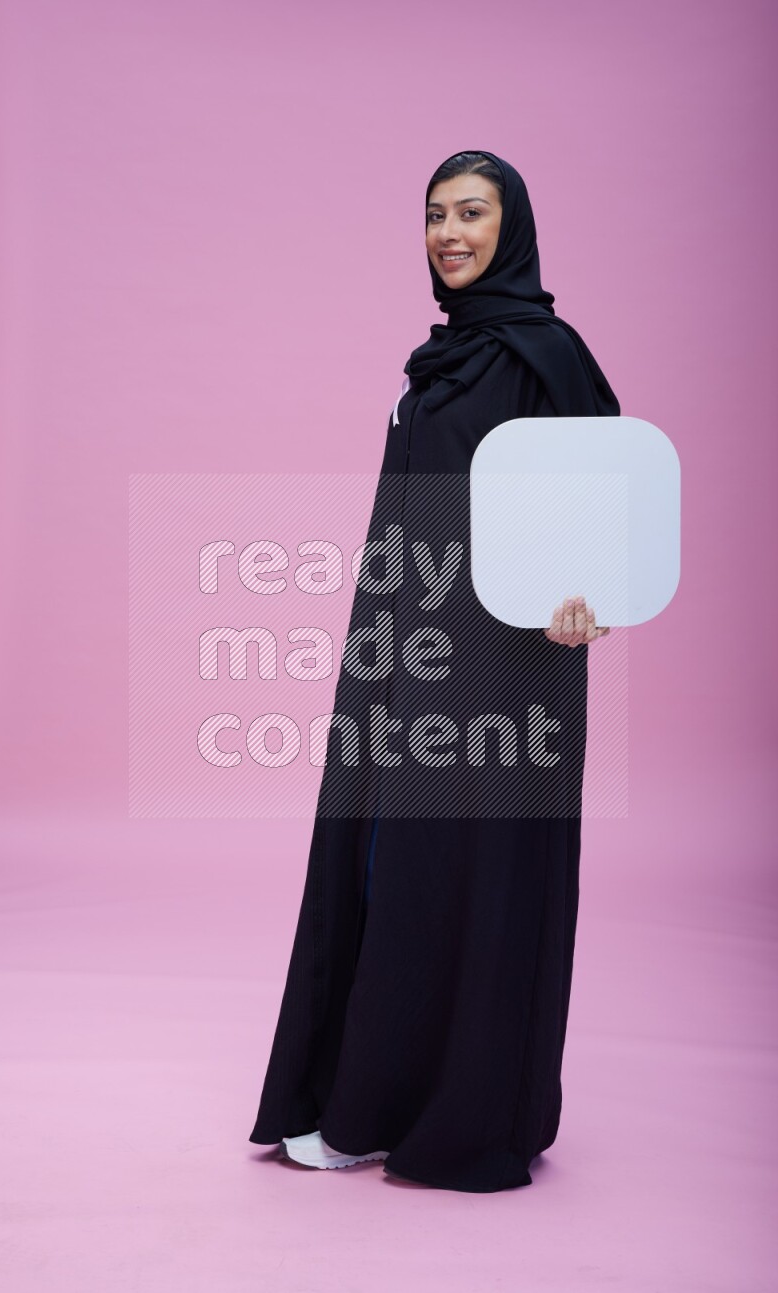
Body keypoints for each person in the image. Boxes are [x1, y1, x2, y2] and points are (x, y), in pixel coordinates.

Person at [248, 149, 620, 1192]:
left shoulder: (546, 356)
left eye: (470, 213)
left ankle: (415, 1113)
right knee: (376, 864)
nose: (448, 234)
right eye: (433, 217)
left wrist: (586, 594)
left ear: (513, 226)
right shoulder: (435, 361)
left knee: (454, 883)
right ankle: (358, 1094)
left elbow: (607, 501)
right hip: (405, 656)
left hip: (504, 672)